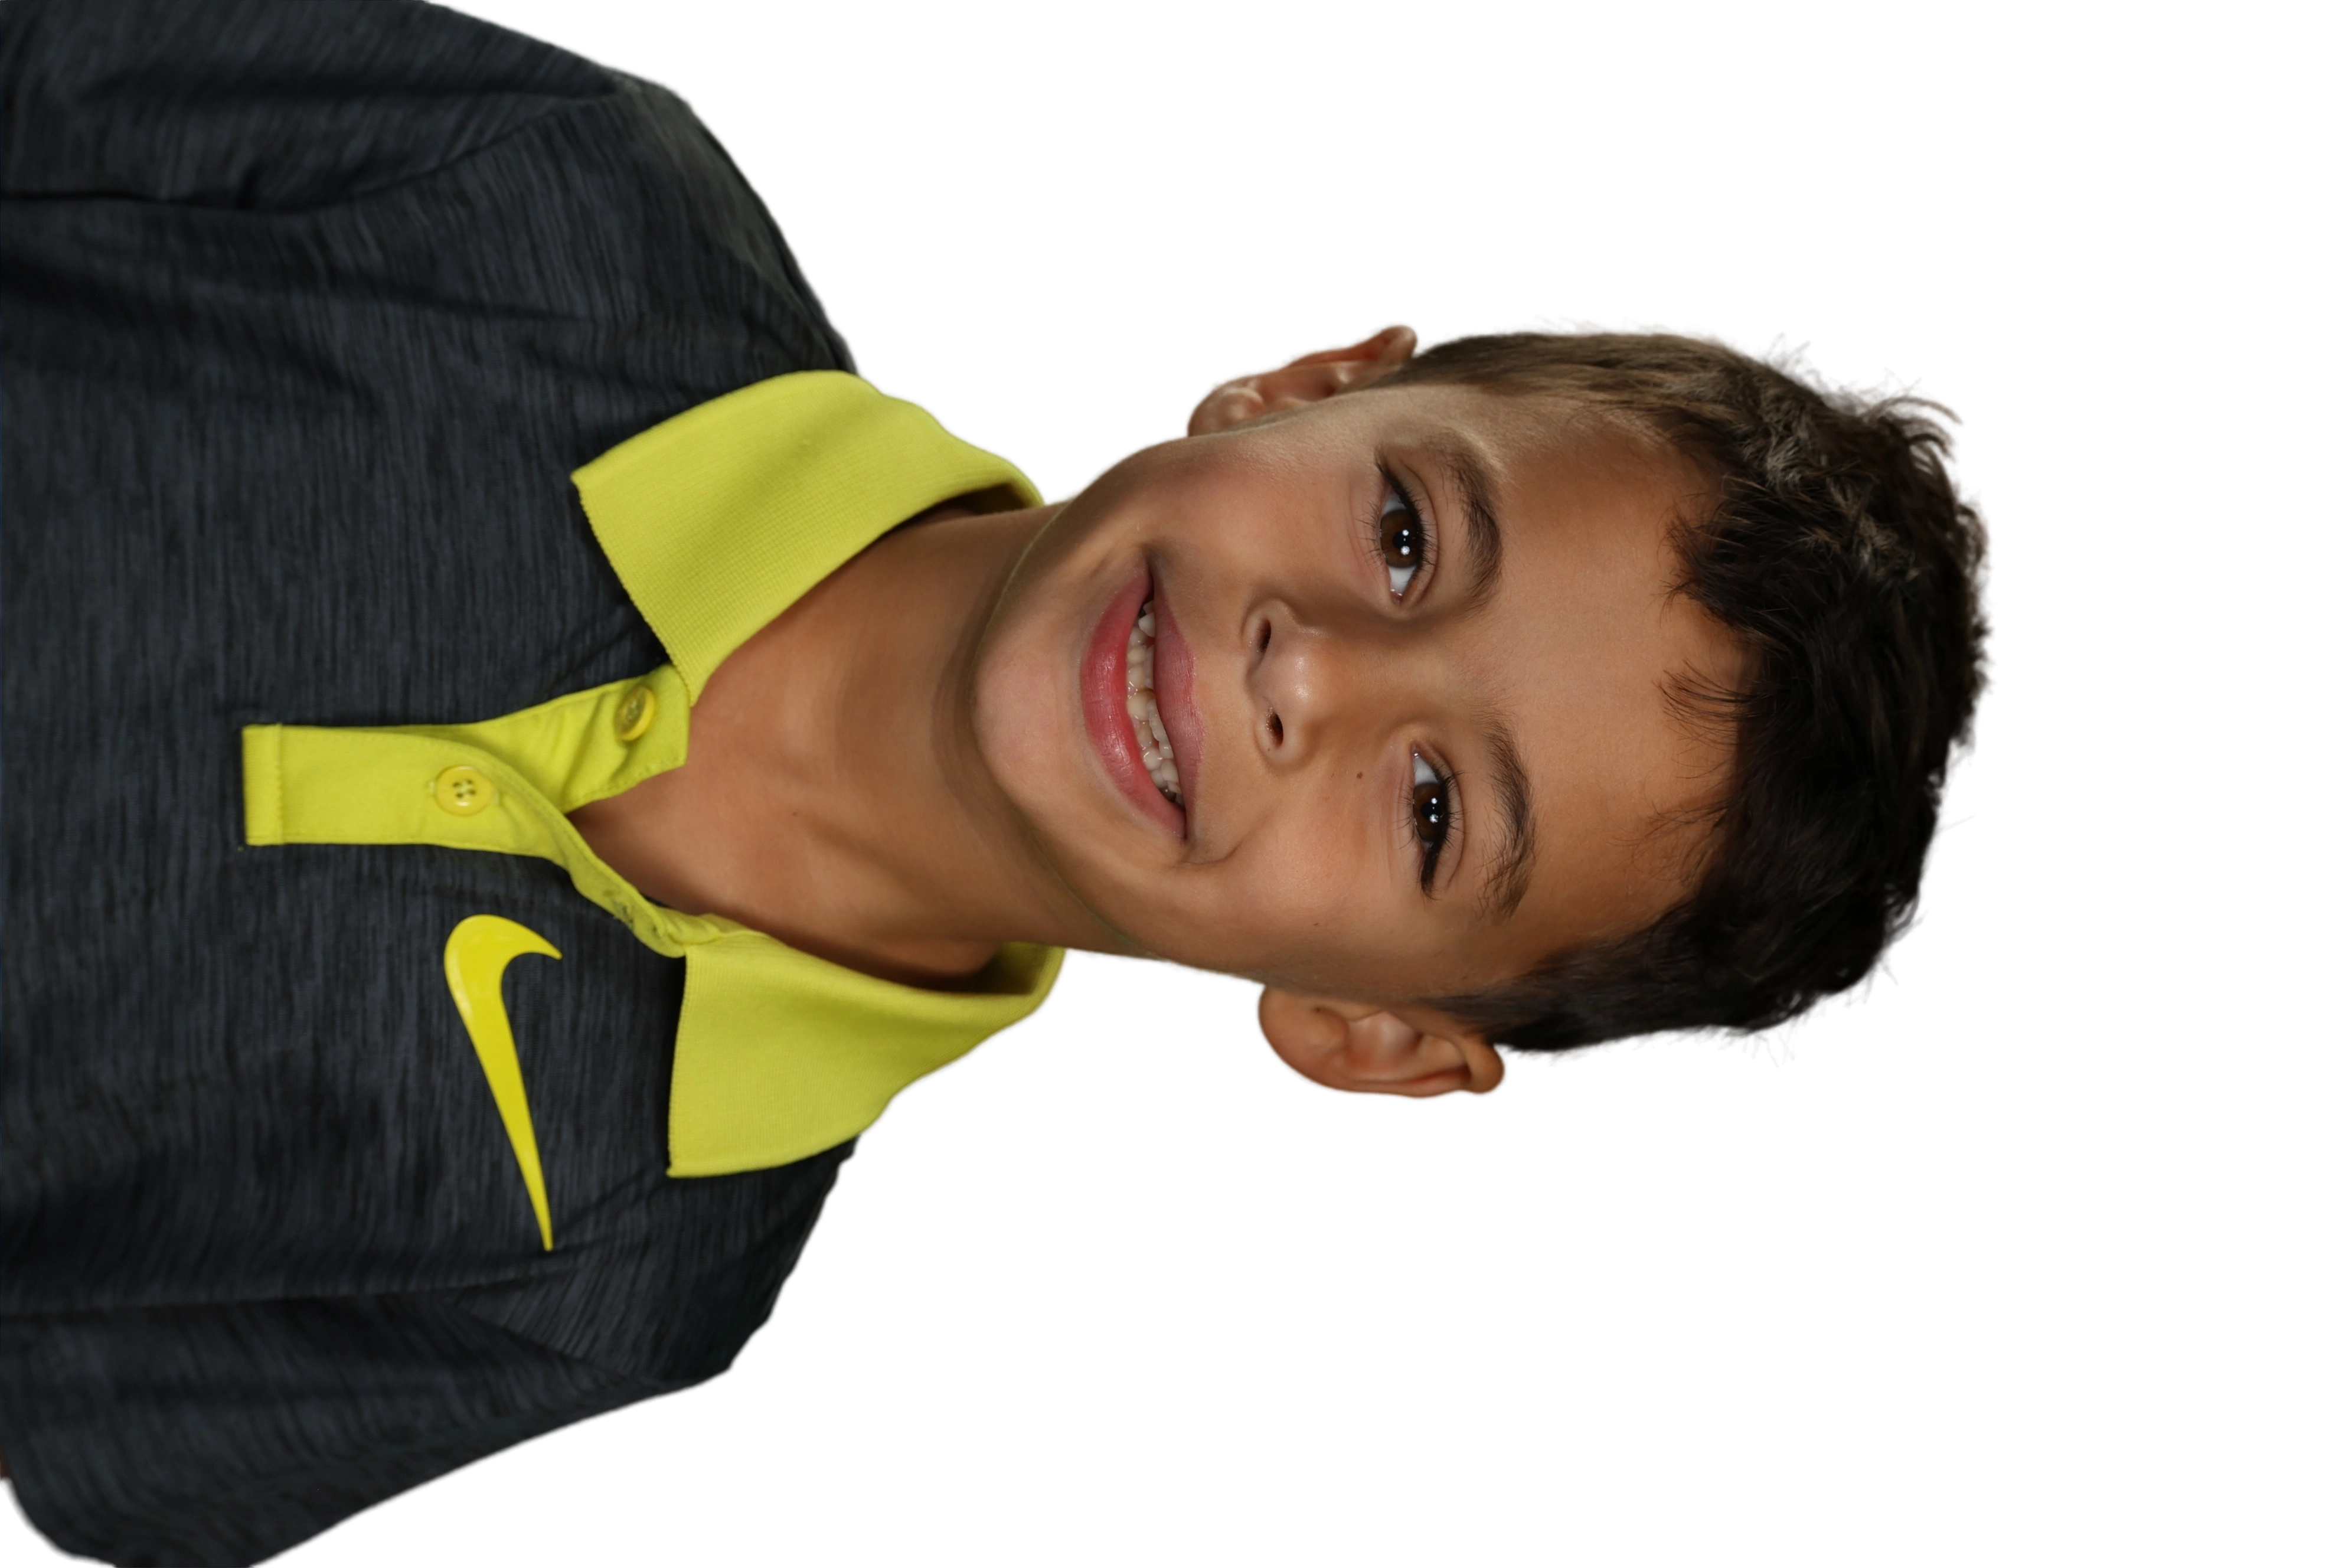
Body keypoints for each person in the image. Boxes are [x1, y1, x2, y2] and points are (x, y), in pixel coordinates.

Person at [0, 2, 1996, 1563]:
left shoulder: (609, 1280)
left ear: (1377, 1032)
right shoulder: (555, 199)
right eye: (1404, 537)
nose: (1308, 668)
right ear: (1307, 384)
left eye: (1433, 812)